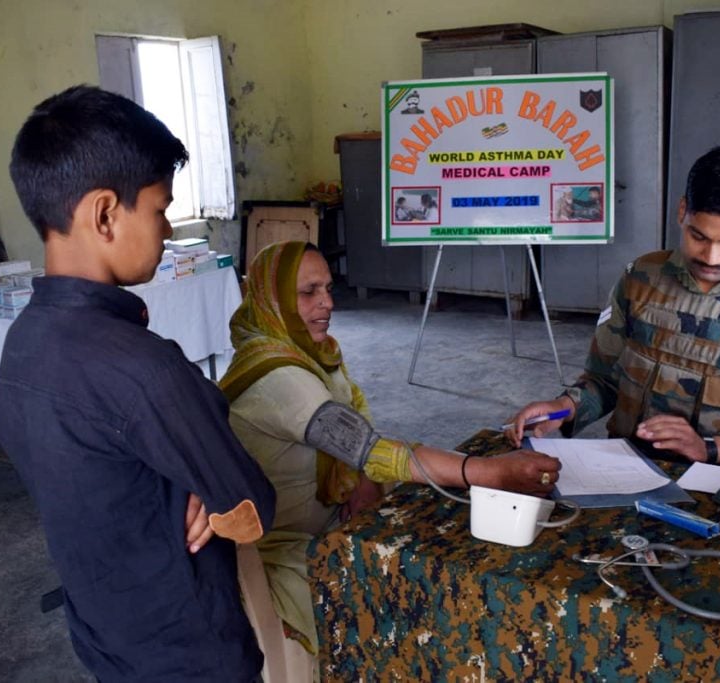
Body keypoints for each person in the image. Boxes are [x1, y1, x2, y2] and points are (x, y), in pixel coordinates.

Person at [0, 85, 276, 682]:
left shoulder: (21, 346)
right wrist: (207, 494)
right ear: (104, 214)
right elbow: (251, 507)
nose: (168, 228)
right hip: (191, 653)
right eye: (159, 208)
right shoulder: (143, 369)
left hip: (104, 634)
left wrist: (182, 485)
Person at [220, 240, 560, 661]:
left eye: (327, 288)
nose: (326, 302)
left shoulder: (309, 352)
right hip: (292, 544)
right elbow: (371, 447)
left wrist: (360, 478)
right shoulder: (278, 378)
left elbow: (355, 412)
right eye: (308, 292)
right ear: (272, 300)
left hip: (335, 514)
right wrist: (489, 472)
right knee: (410, 584)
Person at [509, 146, 720, 466]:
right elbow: (604, 380)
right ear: (682, 212)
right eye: (698, 236)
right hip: (626, 466)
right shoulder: (640, 279)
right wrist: (564, 408)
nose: (711, 257)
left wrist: (712, 448)